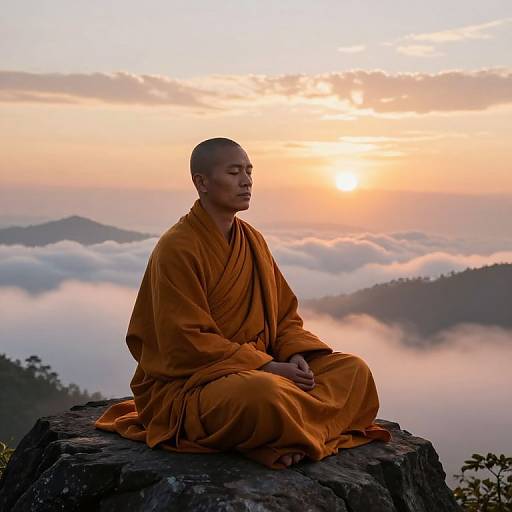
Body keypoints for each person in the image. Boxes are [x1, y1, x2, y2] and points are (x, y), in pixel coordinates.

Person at [94, 137, 391, 469]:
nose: (246, 181)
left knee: (354, 372)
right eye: (234, 172)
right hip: (194, 385)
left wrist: (295, 355)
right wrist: (264, 366)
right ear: (201, 182)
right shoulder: (177, 248)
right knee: (261, 396)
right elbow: (183, 343)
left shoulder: (252, 240)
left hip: (262, 367)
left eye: (249, 171)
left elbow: (284, 315)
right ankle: (298, 433)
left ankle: (287, 435)